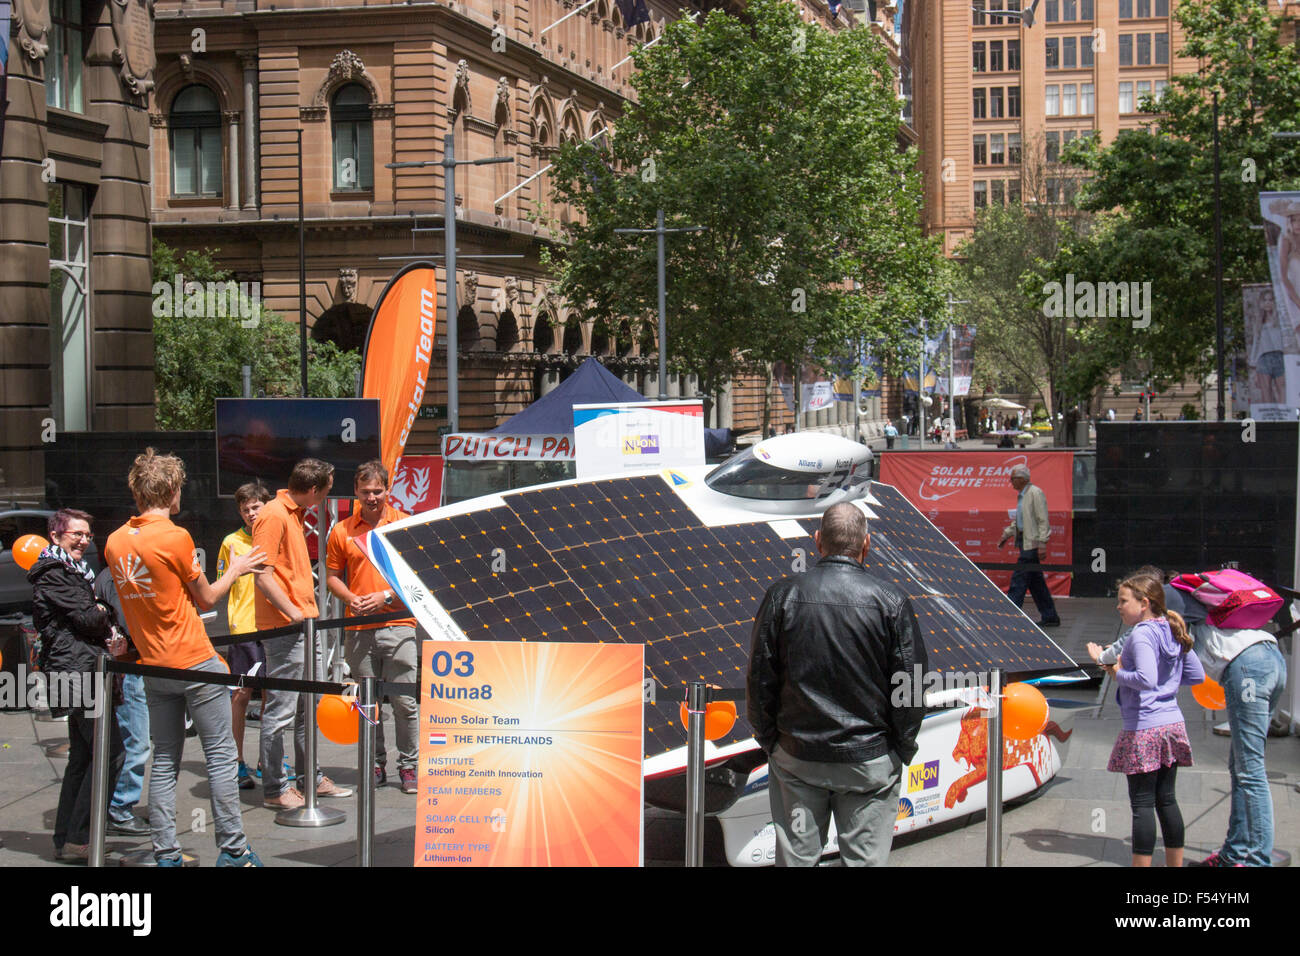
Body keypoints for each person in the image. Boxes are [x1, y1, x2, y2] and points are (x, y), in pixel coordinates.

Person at [104, 449, 266, 866]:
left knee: (163, 761)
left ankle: (167, 854)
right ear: (172, 490)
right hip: (195, 660)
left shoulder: (115, 542)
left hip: (154, 667)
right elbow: (208, 596)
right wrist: (239, 567)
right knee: (221, 756)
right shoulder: (175, 537)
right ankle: (233, 851)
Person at [747, 503, 928, 867]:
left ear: (817, 542)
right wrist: (900, 747)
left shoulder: (783, 596)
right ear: (867, 543)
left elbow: (760, 678)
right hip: (869, 762)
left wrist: (771, 740)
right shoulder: (890, 601)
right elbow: (911, 686)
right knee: (864, 861)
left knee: (798, 860)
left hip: (799, 758)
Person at [30, 509, 127, 862]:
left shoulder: (72, 573)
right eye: (76, 534)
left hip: (81, 669)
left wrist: (100, 611)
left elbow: (92, 615)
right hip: (79, 673)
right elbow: (89, 617)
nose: (84, 540)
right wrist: (103, 610)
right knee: (111, 753)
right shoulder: (56, 574)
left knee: (84, 756)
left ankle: (68, 838)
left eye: (87, 535)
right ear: (56, 536)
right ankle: (80, 835)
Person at [254, 458, 352, 809]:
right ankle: (275, 789)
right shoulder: (274, 514)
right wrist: (294, 613)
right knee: (281, 710)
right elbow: (261, 573)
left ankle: (309, 777)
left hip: (304, 625)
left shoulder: (292, 514)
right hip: (287, 628)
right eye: (325, 492)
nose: (325, 498)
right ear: (313, 490)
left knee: (306, 707)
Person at [326, 460, 421, 794]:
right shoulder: (341, 531)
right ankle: (375, 764)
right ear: (356, 491)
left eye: (378, 491)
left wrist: (385, 596)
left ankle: (409, 767)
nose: (372, 497)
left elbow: (415, 579)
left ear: (387, 489)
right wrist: (351, 598)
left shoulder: (404, 525)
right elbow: (332, 578)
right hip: (358, 628)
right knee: (368, 703)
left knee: (405, 702)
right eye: (365, 492)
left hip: (399, 624)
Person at [1101, 574, 1203, 867]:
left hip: (1145, 727)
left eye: (1123, 601)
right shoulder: (1171, 628)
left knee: (1142, 804)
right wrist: (1167, 685)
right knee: (1167, 799)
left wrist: (1113, 671)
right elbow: (1195, 675)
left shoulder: (1142, 634)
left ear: (1144, 603)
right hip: (1172, 725)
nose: (1118, 607)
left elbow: (1145, 679)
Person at [1187, 615, 1287, 867]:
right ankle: (1233, 854)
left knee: (1250, 771)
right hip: (1270, 657)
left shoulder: (1172, 609)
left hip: (1248, 670)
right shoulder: (1195, 607)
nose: (1120, 607)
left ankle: (1257, 861)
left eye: (1124, 601)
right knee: (1242, 765)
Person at [217, 481, 273, 790]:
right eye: (245, 509)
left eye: (255, 507)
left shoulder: (276, 535)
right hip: (244, 628)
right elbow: (222, 582)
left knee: (272, 695)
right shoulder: (230, 542)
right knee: (240, 695)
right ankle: (236, 761)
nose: (251, 513)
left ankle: (268, 761)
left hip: (275, 627)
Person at [92, 566, 151, 837]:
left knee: (130, 738)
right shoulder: (122, 575)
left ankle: (116, 805)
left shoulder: (111, 574)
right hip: (129, 663)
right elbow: (129, 621)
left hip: (129, 662)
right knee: (136, 740)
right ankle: (119, 808)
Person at [999, 463, 1060, 627]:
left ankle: (1010, 614)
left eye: (1013, 479)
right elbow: (1019, 521)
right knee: (1036, 583)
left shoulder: (1035, 494)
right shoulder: (1023, 495)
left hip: (1031, 545)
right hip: (1025, 542)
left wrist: (1042, 543)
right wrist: (1007, 534)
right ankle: (1050, 616)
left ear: (1021, 479)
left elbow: (1042, 520)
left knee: (1019, 580)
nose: (1011, 482)